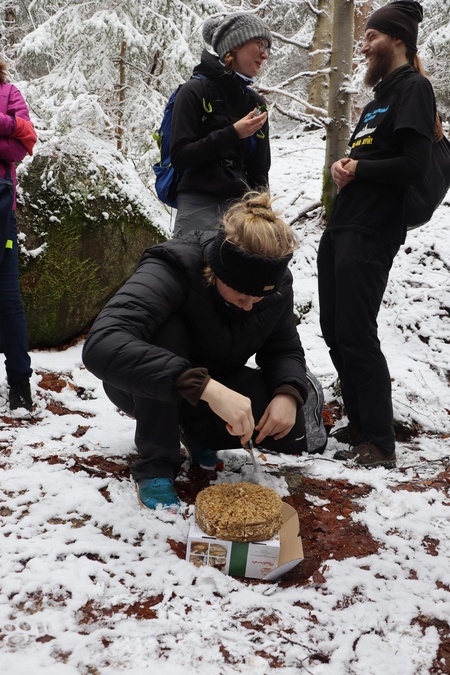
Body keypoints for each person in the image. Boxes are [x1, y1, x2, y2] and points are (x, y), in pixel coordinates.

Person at [82, 191, 310, 511]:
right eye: (241, 295)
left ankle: (196, 432)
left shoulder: (275, 285)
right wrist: (205, 388)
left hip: (214, 383)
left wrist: (287, 393)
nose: (248, 306)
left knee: (290, 425)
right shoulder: (173, 265)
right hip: (147, 385)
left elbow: (283, 347)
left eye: (257, 300)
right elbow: (102, 344)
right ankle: (156, 464)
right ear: (217, 271)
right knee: (166, 330)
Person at [317, 1, 437, 469]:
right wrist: (345, 168)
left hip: (372, 230)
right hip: (345, 224)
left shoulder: (414, 89)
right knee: (334, 329)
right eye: (363, 37)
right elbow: (369, 163)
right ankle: (362, 424)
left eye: (372, 37)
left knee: (356, 331)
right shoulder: (375, 103)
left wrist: (359, 168)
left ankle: (381, 442)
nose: (363, 46)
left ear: (399, 40)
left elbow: (413, 165)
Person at [170, 13, 272, 237]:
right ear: (234, 46)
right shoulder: (193, 91)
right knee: (192, 268)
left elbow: (259, 170)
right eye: (260, 44)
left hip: (240, 210)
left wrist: (263, 213)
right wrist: (233, 133)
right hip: (197, 202)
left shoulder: (255, 103)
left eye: (268, 48)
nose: (265, 55)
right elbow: (179, 156)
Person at [0, 60, 37, 413]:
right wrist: (9, 127)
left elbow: (18, 149)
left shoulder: (9, 93)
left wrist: (11, 125)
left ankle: (20, 383)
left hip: (1, 211)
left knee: (9, 300)